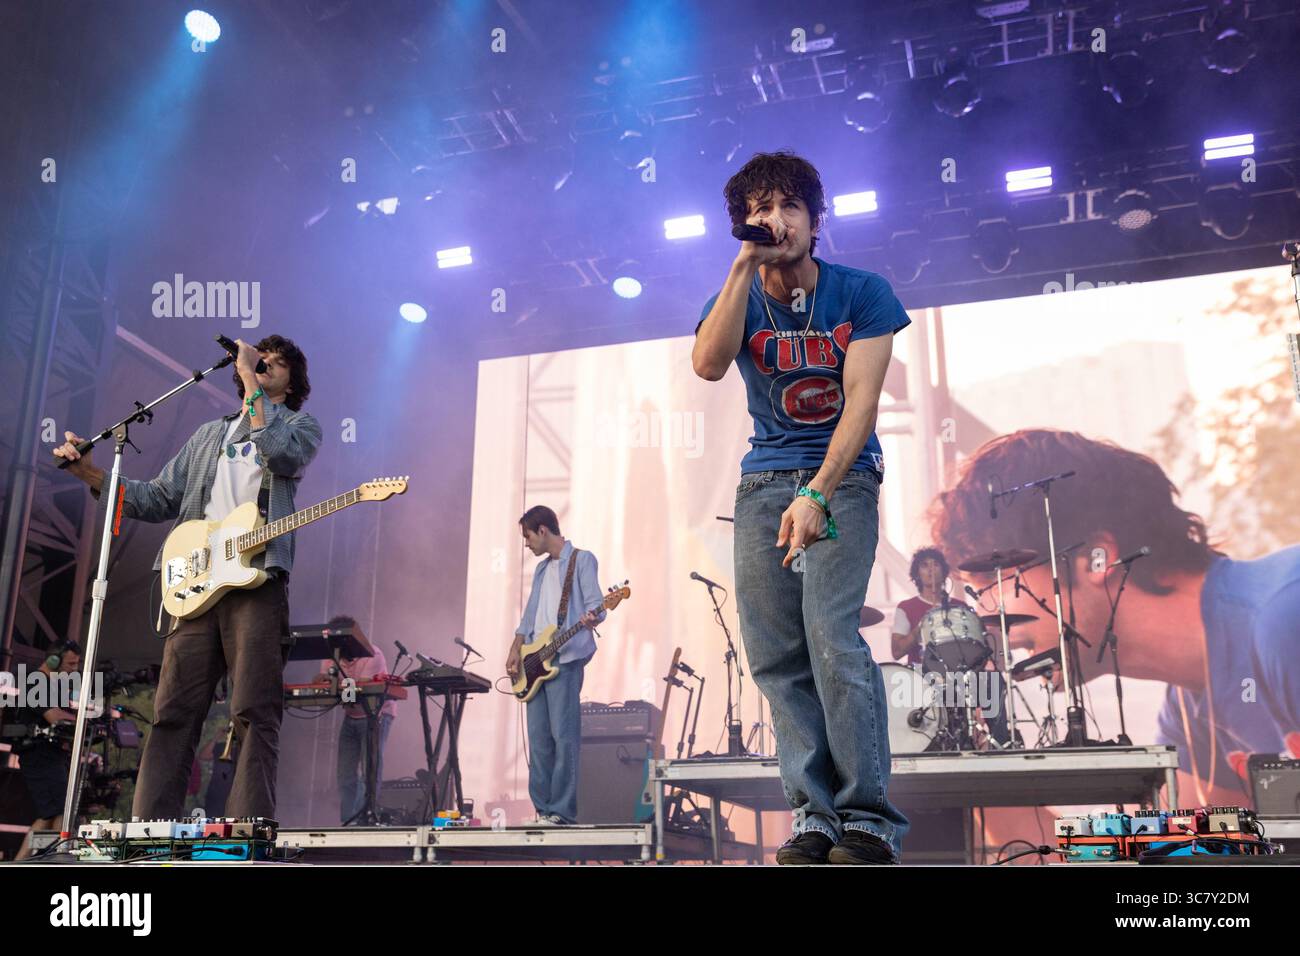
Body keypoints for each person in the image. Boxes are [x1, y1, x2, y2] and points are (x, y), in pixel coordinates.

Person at [692, 150, 911, 864]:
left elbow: (863, 405)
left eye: (790, 206)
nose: (776, 220)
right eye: (761, 208)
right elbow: (708, 363)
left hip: (841, 477)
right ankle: (814, 815)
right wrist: (737, 271)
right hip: (761, 482)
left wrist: (818, 491)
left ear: (817, 220)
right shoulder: (740, 291)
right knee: (775, 655)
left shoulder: (863, 292)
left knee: (830, 637)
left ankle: (867, 818)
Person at [928, 427, 1300, 808]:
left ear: (1097, 558)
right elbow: (1189, 857)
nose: (982, 614)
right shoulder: (1191, 709)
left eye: (993, 579)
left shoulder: (1286, 619)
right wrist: (966, 760)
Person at [54, 334, 321, 820]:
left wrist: (247, 380)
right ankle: (150, 827)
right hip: (197, 583)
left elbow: (282, 454)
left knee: (253, 709)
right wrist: (90, 475)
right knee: (173, 711)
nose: (264, 366)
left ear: (291, 383)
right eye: (261, 359)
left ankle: (247, 828)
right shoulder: (207, 436)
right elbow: (155, 498)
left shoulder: (300, 424)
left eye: (276, 365)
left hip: (257, 580)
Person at [506, 506, 603, 826]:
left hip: (566, 658)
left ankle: (561, 811)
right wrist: (516, 648)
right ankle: (543, 809)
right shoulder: (541, 570)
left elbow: (596, 607)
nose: (527, 544)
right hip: (533, 662)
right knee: (538, 739)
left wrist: (594, 617)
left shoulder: (582, 560)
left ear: (543, 530)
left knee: (564, 737)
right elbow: (530, 614)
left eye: (528, 536)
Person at [314, 614, 397, 824]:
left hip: (376, 715)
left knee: (370, 769)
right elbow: (330, 689)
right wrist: (322, 683)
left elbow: (356, 695)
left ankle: (365, 819)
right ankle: (347, 822)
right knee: (345, 774)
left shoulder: (373, 654)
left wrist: (334, 684)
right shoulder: (331, 655)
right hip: (351, 717)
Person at [12, 642, 82, 860]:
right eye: (71, 663)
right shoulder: (35, 680)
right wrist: (83, 720)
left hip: (51, 755)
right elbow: (53, 716)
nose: (75, 668)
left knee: (49, 814)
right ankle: (59, 859)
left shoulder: (56, 685)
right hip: (37, 755)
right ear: (53, 660)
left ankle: (21, 862)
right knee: (61, 810)